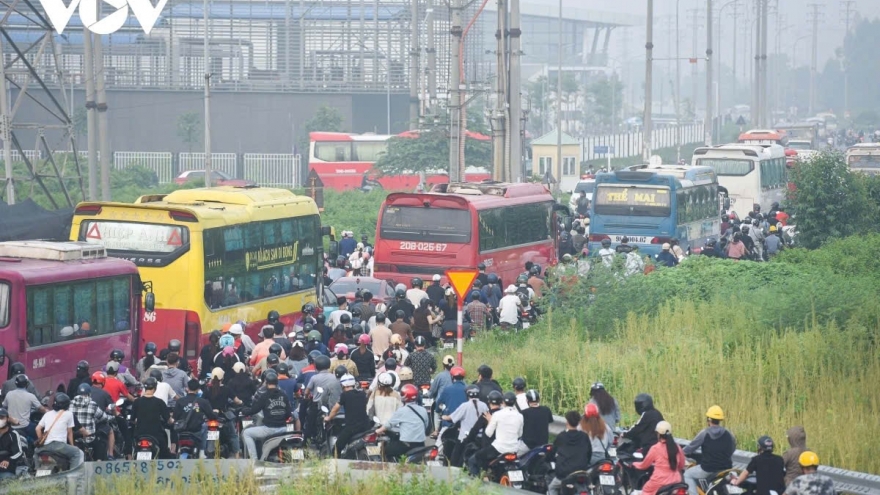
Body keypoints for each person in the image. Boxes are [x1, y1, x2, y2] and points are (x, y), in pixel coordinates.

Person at [683, 406, 737, 495]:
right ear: (720, 420)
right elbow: (733, 448)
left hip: (707, 469)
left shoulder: (704, 433)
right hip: (726, 468)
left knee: (687, 475)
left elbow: (690, 448)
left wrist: (679, 452)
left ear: (708, 419)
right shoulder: (729, 434)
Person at [467, 392, 523, 477]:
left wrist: (490, 421)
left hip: (498, 448)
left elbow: (488, 433)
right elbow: (519, 434)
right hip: (514, 449)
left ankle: (478, 482)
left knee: (474, 459)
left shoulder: (497, 415)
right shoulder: (519, 416)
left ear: (503, 402)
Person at [240, 371, 292, 459]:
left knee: (246, 433)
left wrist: (244, 411)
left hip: (269, 429)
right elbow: (288, 413)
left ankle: (254, 459)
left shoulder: (264, 396)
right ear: (277, 383)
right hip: (283, 429)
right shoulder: (284, 395)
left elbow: (254, 410)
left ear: (266, 383)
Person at [375, 384, 428, 460]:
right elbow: (425, 425)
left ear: (404, 396)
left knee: (385, 450)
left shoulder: (402, 411)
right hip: (421, 444)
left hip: (406, 445)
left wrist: (378, 431)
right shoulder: (423, 410)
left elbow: (388, 424)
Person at [633, 421, 686, 495]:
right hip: (676, 481)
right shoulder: (677, 447)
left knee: (645, 490)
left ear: (658, 434)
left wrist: (635, 464)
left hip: (659, 481)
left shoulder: (655, 448)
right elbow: (681, 465)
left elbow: (644, 465)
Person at [547, 411, 593, 495]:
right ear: (578, 422)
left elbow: (552, 452)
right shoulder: (584, 436)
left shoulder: (561, 436)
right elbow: (589, 453)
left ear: (567, 421)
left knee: (552, 487)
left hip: (564, 474)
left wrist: (548, 458)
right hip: (581, 472)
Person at [35, 392, 84, 470]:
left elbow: (37, 429)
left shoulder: (47, 414)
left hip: (46, 446)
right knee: (78, 453)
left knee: (36, 452)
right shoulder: (69, 414)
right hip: (59, 446)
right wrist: (72, 445)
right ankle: (73, 475)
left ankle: (36, 470)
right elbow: (69, 432)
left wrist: (41, 441)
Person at [325, 374, 371, 457]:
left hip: (352, 427)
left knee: (336, 448)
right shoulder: (362, 394)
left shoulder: (344, 395)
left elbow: (335, 409)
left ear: (343, 385)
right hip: (366, 426)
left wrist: (328, 418)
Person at [444, 384, 489, 467]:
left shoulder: (465, 406)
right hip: (480, 438)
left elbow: (452, 418)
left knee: (455, 460)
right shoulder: (484, 405)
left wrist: (443, 417)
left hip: (465, 438)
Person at [205, 368, 242, 458]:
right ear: (222, 378)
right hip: (223, 417)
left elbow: (202, 401)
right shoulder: (226, 389)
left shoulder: (207, 389)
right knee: (233, 435)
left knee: (208, 435)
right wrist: (241, 402)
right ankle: (237, 456)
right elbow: (237, 401)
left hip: (210, 417)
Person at [173, 379, 216, 456]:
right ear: (198, 389)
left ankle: (178, 450)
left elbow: (175, 417)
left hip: (182, 432)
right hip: (196, 432)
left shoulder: (180, 401)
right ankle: (202, 451)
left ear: (187, 388)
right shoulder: (203, 402)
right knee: (205, 425)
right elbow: (211, 416)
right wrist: (216, 413)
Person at [3, 374, 45, 443]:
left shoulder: (9, 394)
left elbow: (4, 406)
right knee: (39, 434)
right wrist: (49, 412)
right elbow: (41, 409)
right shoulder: (31, 396)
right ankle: (36, 449)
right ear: (27, 384)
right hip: (25, 427)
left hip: (11, 426)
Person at [70, 383, 108, 461]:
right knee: (101, 443)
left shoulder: (70, 404)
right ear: (89, 394)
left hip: (74, 438)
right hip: (89, 438)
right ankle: (98, 463)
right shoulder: (92, 404)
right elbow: (103, 417)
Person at [0, 409, 23, 480]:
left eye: (2, 418)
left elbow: (19, 452)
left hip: (8, 467)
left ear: (7, 419)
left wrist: (8, 460)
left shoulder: (13, 434)